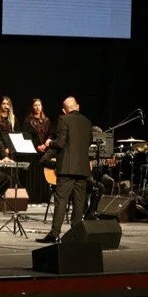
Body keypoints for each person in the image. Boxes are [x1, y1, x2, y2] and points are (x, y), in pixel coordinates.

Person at [38, 96, 93, 243]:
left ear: (64, 110)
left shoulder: (63, 119)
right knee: (79, 203)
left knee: (61, 201)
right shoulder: (87, 122)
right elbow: (88, 143)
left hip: (67, 169)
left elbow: (61, 143)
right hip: (82, 169)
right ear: (78, 107)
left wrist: (50, 143)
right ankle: (76, 234)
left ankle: (54, 234)